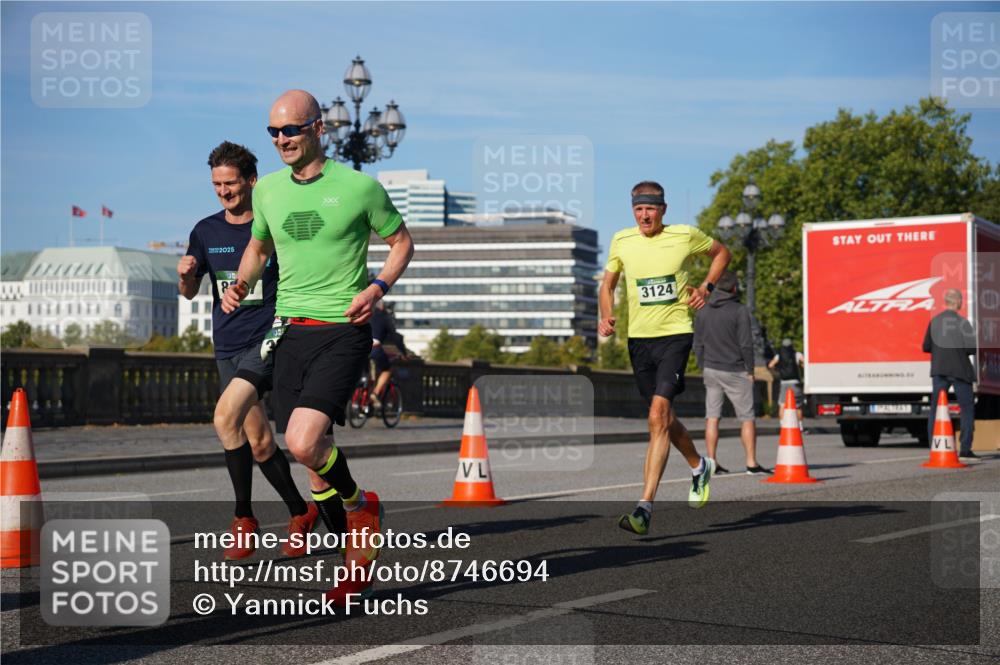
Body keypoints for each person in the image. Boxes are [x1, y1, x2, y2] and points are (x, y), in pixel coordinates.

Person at [221, 90, 414, 590]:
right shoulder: (267, 192)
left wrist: (377, 287)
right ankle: (355, 565)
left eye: (291, 129)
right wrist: (241, 284)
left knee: (304, 442)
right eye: (274, 132)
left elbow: (401, 242)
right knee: (312, 455)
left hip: (342, 330)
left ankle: (360, 507)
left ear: (317, 129)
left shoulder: (358, 188)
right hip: (289, 331)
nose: (281, 139)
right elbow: (258, 248)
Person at [178, 141, 318, 560]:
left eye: (231, 183)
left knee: (224, 417)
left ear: (251, 181)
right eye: (217, 184)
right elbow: (187, 294)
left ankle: (244, 519)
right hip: (228, 345)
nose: (223, 191)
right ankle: (301, 512)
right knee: (258, 442)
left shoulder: (274, 225)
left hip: (270, 338)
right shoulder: (205, 231)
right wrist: (185, 277)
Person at [599, 180, 731, 535]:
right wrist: (606, 314)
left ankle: (644, 507)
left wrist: (706, 287)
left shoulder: (685, 235)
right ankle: (699, 465)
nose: (645, 215)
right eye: (639, 209)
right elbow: (607, 285)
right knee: (663, 418)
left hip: (675, 334)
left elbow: (722, 253)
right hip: (639, 340)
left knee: (657, 415)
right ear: (633, 210)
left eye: (651, 209)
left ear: (663, 210)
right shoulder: (622, 240)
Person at [693, 270, 771, 475]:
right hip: (736, 370)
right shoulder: (740, 311)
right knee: (747, 417)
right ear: (734, 288)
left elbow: (697, 344)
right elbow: (746, 344)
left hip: (711, 369)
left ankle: (711, 462)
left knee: (712, 417)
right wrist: (750, 370)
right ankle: (751, 463)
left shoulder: (703, 311)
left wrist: (703, 366)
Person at [922, 288, 978, 460]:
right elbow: (971, 349)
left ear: (946, 302)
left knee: (936, 410)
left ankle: (935, 447)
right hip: (960, 371)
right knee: (967, 410)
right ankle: (965, 449)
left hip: (939, 371)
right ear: (959, 302)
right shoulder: (963, 323)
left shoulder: (935, 322)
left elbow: (926, 347)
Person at [367, 299, 407, 411]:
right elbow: (395, 337)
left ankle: (358, 394)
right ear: (383, 307)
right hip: (374, 348)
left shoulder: (367, 314)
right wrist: (403, 353)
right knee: (387, 369)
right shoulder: (384, 318)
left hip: (359, 348)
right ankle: (375, 393)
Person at [768, 338, 805, 427]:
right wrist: (801, 366)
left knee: (782, 405)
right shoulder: (797, 354)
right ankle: (800, 426)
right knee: (798, 406)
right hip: (795, 382)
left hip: (783, 382)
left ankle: (782, 426)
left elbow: (770, 365)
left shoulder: (778, 356)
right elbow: (805, 362)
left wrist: (777, 371)